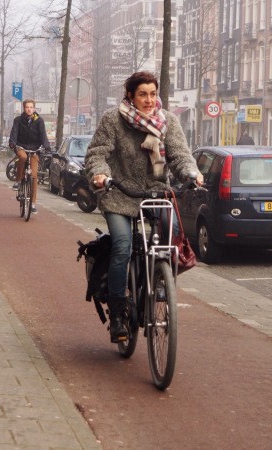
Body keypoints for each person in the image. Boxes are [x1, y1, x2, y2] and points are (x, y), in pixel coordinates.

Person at [85, 71, 203, 343]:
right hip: (118, 192)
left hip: (154, 192)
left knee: (170, 235)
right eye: (142, 94)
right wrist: (101, 175)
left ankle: (159, 282)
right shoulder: (113, 120)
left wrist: (191, 174)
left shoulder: (167, 121)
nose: (149, 100)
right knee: (123, 245)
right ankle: (117, 313)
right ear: (130, 95)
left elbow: (180, 155)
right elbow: (97, 153)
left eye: (152, 94)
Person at [9, 99, 51, 214]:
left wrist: (47, 146)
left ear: (34, 108)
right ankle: (18, 181)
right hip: (21, 146)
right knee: (22, 157)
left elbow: (43, 135)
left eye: (31, 107)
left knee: (33, 176)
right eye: (27, 107)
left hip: (34, 149)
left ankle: (32, 203)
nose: (29, 109)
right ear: (24, 108)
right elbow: (14, 132)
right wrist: (12, 143)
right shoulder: (18, 120)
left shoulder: (39, 121)